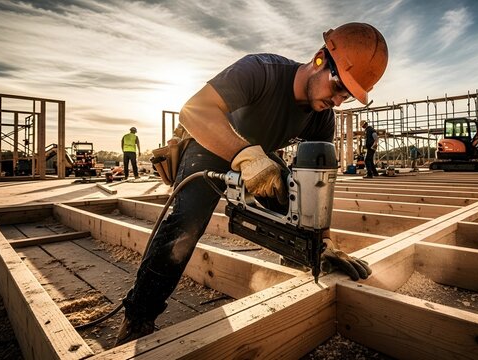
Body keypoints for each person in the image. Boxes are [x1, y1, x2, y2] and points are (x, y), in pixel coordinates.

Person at [115, 22, 389, 345]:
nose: (339, 100)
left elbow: (316, 187)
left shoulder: (321, 118)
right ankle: (138, 317)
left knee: (294, 200)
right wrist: (245, 156)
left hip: (256, 155)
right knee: (186, 224)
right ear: (319, 59)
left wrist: (323, 239)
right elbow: (193, 111)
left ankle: (304, 263)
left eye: (348, 96)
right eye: (338, 86)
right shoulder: (261, 71)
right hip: (210, 145)